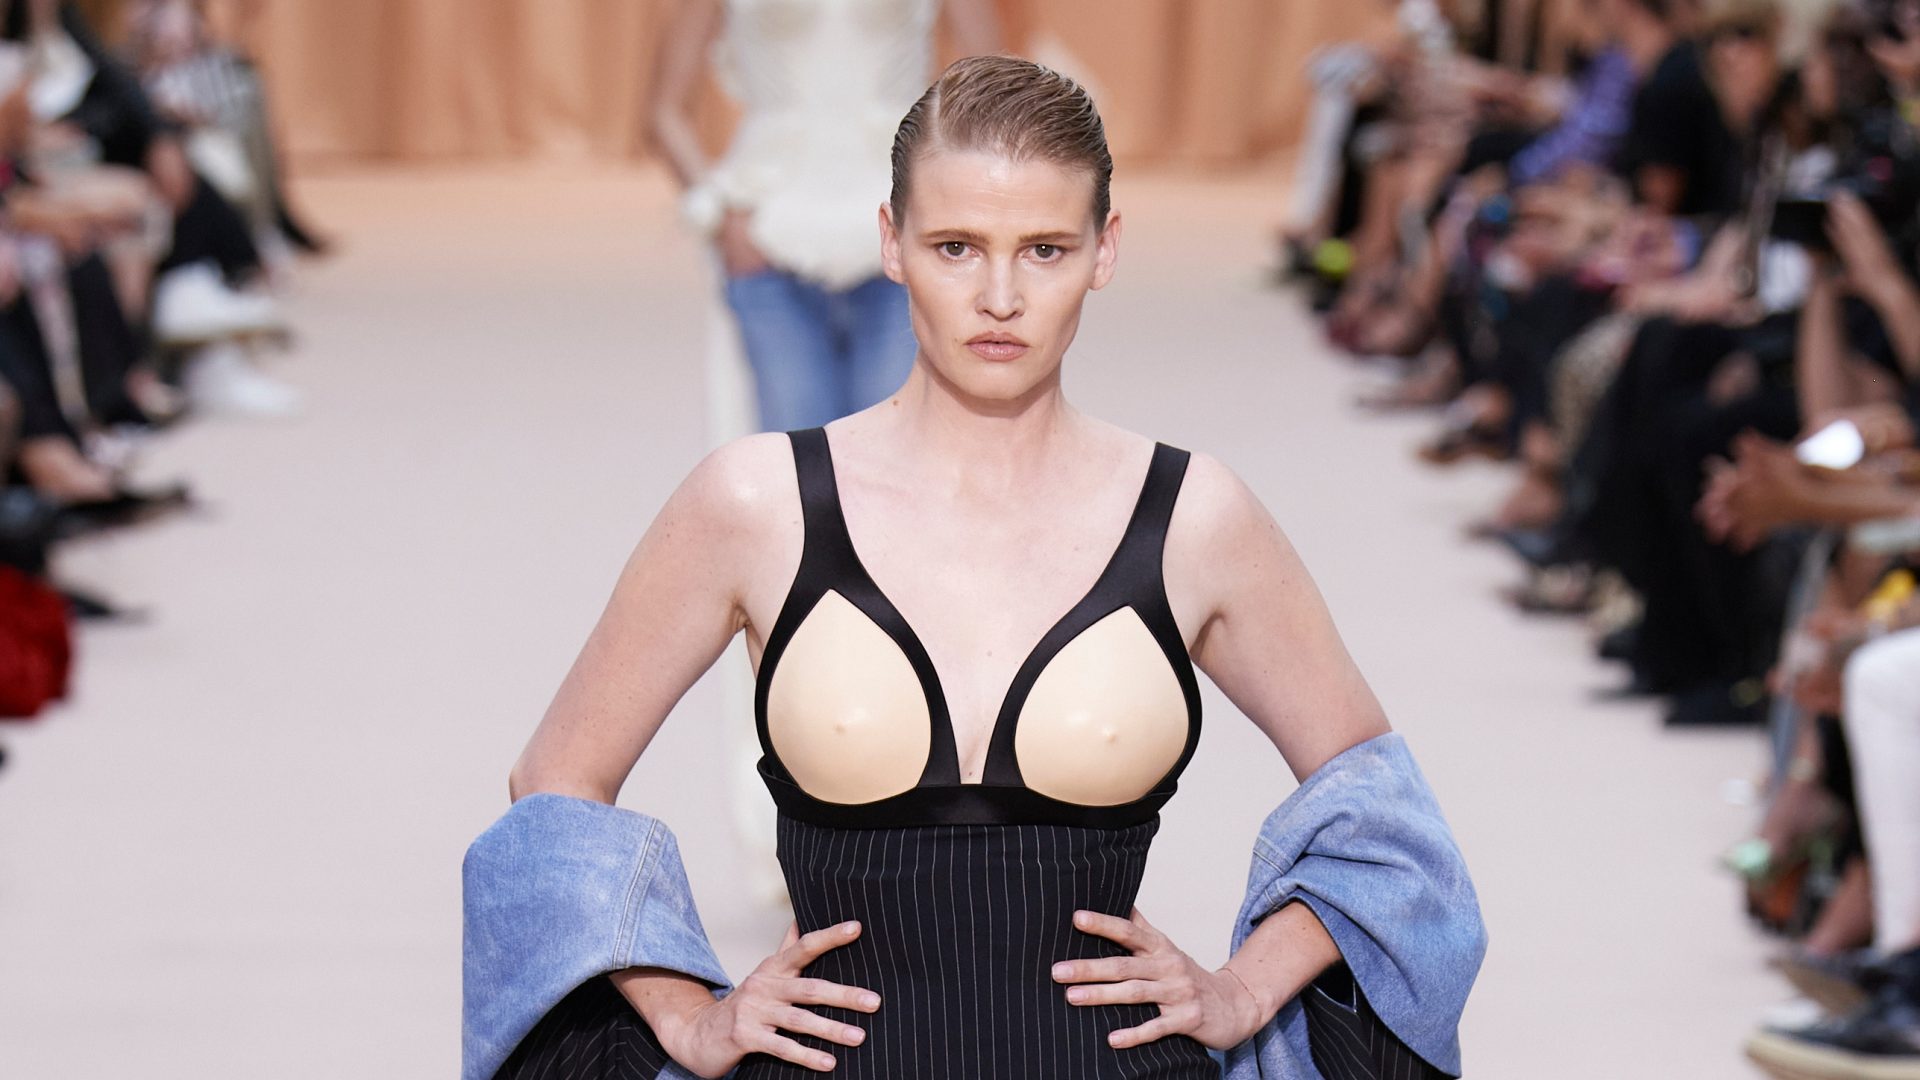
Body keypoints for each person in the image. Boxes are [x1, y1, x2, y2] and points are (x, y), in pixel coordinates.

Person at [472, 56, 1484, 1080]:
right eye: (956, 247)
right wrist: (686, 1013)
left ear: (1105, 249)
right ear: (891, 241)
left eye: (1045, 249)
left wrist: (1245, 989)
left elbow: (1382, 814)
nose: (1000, 297)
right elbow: (556, 782)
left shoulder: (1193, 518)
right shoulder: (754, 505)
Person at [646, 0, 1000, 434]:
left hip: (904, 233)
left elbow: (994, 96)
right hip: (768, 235)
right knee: (798, 460)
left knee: (898, 454)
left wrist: (953, 211)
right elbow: (665, 112)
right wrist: (719, 213)